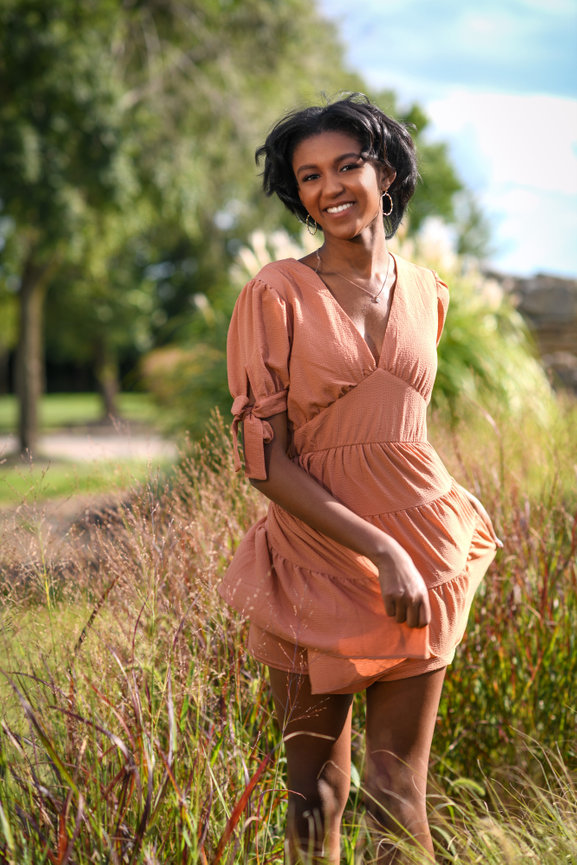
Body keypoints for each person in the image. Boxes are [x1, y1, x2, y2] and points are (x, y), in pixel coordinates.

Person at [218, 93, 500, 864]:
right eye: (308, 176)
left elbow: (399, 431)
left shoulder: (427, 293)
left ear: (386, 172)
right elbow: (263, 459)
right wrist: (378, 547)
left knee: (394, 786)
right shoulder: (275, 292)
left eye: (347, 165)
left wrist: (406, 546)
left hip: (424, 552)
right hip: (319, 553)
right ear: (296, 194)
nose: (329, 186)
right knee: (317, 790)